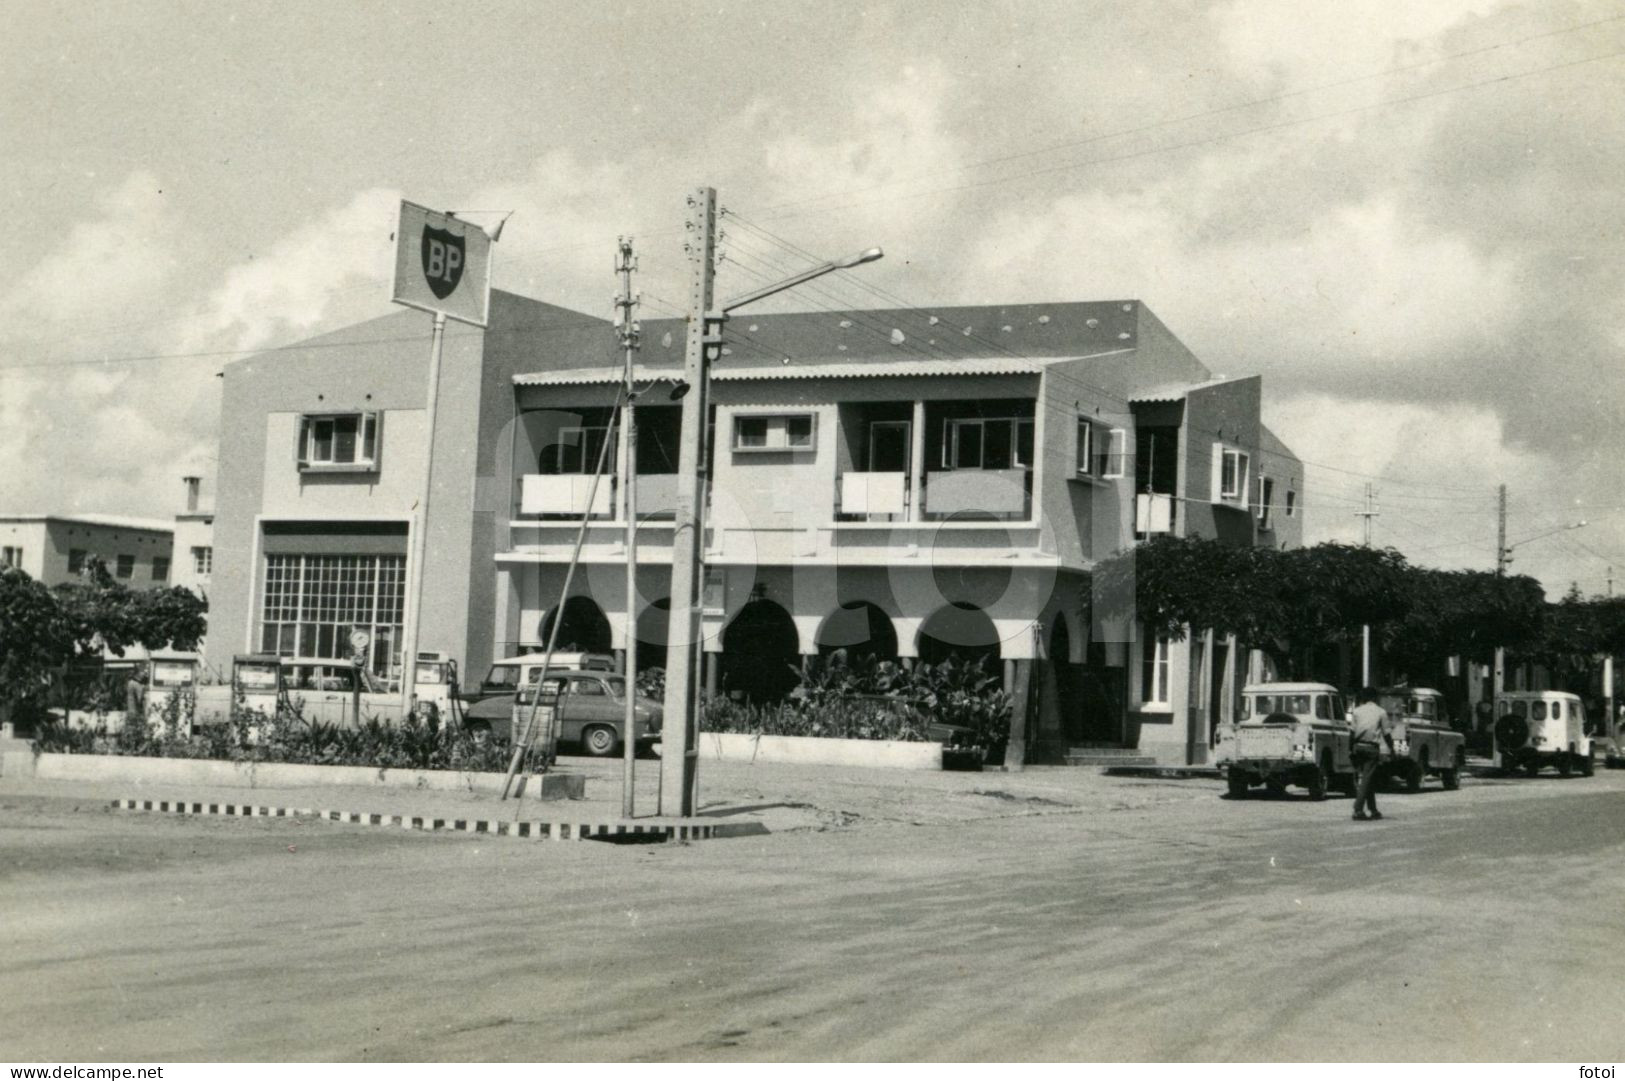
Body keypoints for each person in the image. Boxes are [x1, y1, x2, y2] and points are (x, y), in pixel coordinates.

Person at [1348, 686, 1391, 822]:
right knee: (1367, 778)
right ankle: (1358, 809)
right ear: (1375, 698)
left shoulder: (1357, 711)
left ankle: (1373, 810)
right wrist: (1392, 749)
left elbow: (1351, 733)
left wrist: (1350, 749)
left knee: (1368, 778)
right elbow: (1387, 733)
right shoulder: (1381, 712)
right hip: (1371, 748)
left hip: (1358, 746)